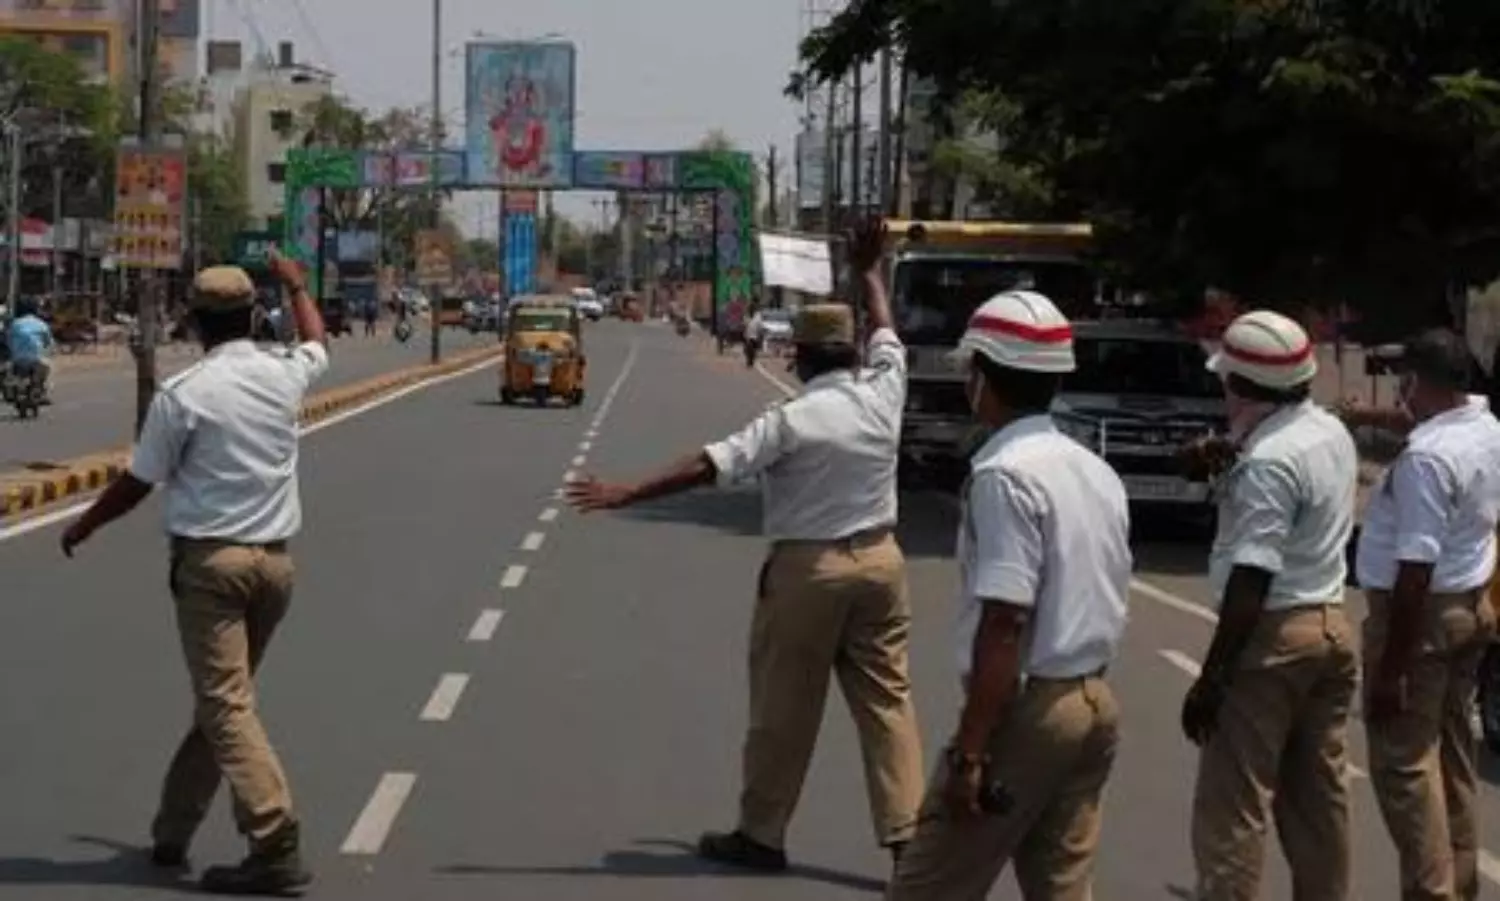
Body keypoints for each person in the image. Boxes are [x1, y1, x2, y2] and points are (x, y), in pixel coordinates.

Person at [566, 217, 924, 872]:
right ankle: (907, 841)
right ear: (852, 353)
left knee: (784, 708)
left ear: (801, 357)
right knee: (888, 704)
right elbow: (889, 332)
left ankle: (762, 831)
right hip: (881, 561)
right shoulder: (884, 395)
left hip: (808, 570)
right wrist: (870, 271)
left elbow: (710, 464)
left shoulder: (791, 418)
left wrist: (627, 491)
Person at [58, 252, 328, 896]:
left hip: (212, 567)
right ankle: (173, 830)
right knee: (224, 702)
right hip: (275, 566)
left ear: (196, 323)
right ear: (251, 316)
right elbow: (316, 340)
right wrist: (296, 284)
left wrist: (84, 524)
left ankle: (274, 840)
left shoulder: (185, 394)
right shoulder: (283, 374)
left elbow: (137, 482)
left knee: (226, 705)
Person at [888, 290, 1131, 901]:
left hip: (1032, 711)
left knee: (926, 886)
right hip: (1093, 700)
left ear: (983, 379)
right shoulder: (1093, 469)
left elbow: (1004, 621)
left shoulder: (1006, 476)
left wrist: (971, 752)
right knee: (1062, 886)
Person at [1180, 310, 1359, 901]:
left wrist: (1212, 677)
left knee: (1234, 804)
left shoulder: (1268, 462)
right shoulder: (1328, 431)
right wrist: (1225, 451)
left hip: (1274, 634)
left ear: (1238, 385)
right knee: (1317, 801)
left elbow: (1251, 579)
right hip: (1331, 626)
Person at [1356, 328, 1500, 901]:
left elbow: (1414, 569)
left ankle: (1431, 891)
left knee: (1403, 767)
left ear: (1418, 381)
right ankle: (1459, 884)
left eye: (1404, 381)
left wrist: (1392, 671)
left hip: (1421, 618)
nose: (1401, 392)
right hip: (1470, 608)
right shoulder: (1485, 428)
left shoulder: (1428, 459)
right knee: (1452, 761)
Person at [6, 296, 55, 398]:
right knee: (47, 368)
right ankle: (43, 391)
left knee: (13, 372)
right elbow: (49, 342)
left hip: (18, 359)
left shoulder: (15, 323)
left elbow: (9, 340)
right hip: (36, 358)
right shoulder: (41, 324)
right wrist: (50, 350)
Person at [743, 303, 764, 368]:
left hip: (755, 335)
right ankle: (749, 360)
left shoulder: (758, 316)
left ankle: (751, 360)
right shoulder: (747, 315)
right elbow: (744, 323)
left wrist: (760, 332)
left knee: (753, 349)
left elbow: (760, 325)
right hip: (748, 335)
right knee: (748, 348)